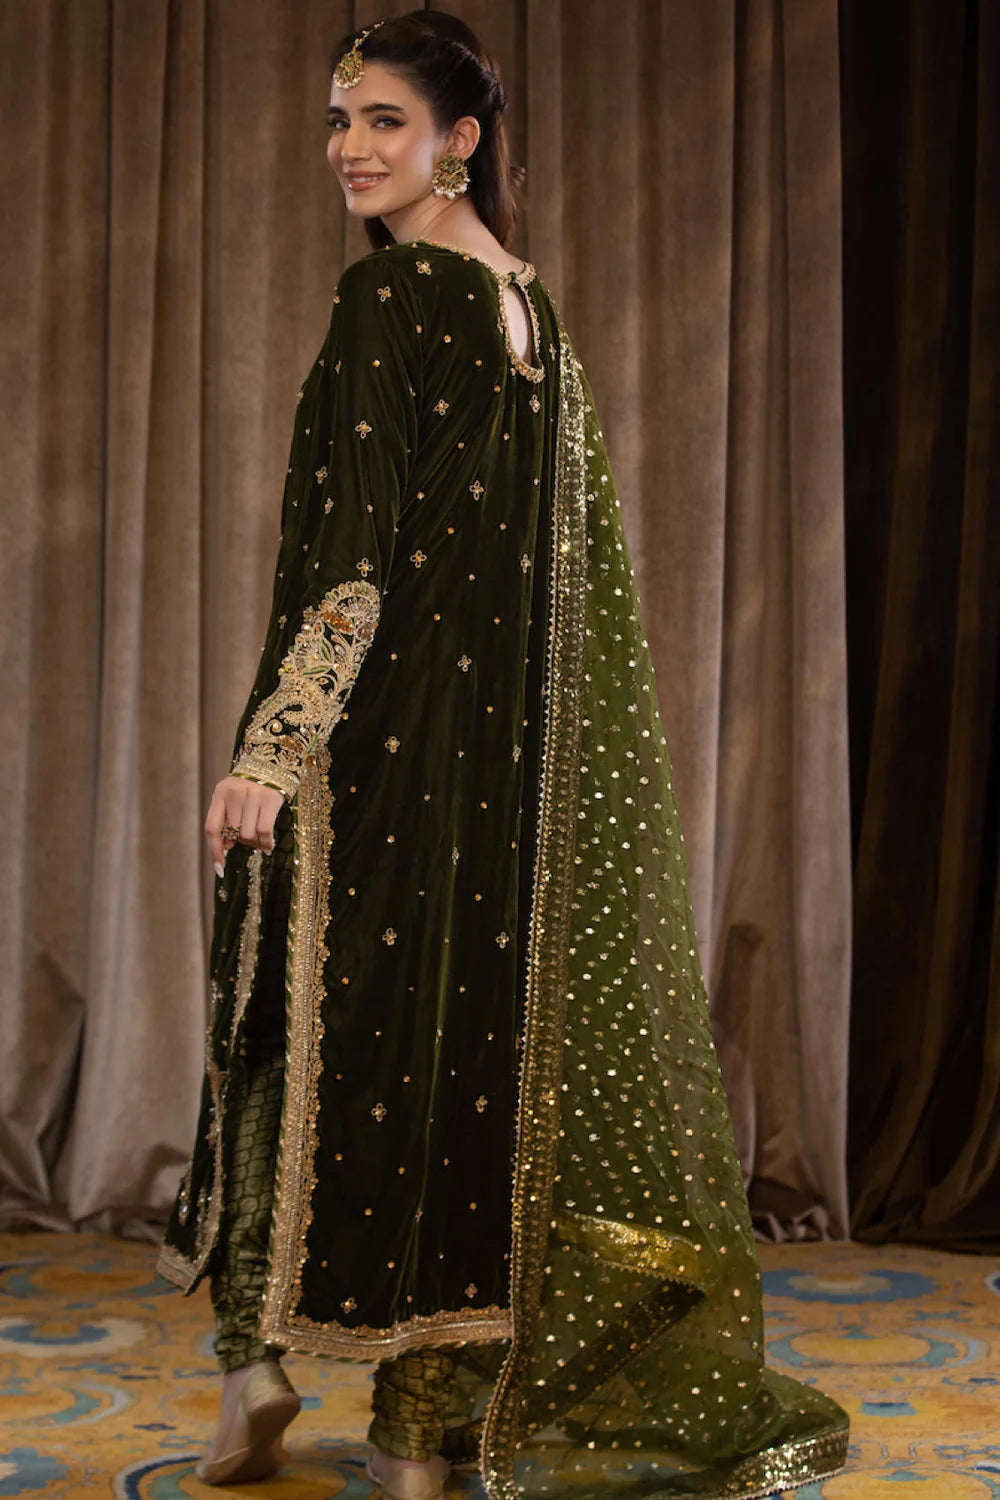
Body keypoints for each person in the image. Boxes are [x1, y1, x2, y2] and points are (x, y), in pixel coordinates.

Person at [156, 11, 850, 1499]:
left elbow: (355, 560)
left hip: (373, 756)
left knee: (283, 1036)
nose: (349, 149)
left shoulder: (391, 297)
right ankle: (419, 1442)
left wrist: (274, 749)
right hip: (502, 787)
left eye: (384, 120)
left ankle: (251, 1370)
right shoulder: (532, 311)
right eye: (339, 120)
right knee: (460, 1083)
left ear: (460, 139)